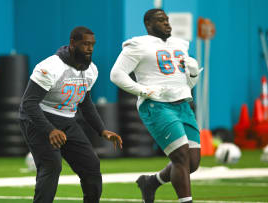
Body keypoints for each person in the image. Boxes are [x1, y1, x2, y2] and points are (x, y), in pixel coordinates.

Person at [19, 26, 123, 203]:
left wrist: (102, 130)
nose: (90, 48)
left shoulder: (91, 70)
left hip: (67, 121)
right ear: (73, 43)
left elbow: (85, 102)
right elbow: (28, 103)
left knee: (91, 165)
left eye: (92, 44)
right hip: (39, 119)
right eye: (85, 44)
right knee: (51, 167)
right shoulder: (50, 66)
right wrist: (50, 130)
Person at [110, 9, 202, 203]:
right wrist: (142, 90)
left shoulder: (180, 44)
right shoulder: (137, 45)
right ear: (148, 24)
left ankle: (151, 182)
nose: (167, 23)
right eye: (161, 20)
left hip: (183, 104)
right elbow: (116, 74)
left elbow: (187, 84)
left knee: (192, 163)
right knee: (181, 157)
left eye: (167, 20)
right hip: (157, 106)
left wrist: (193, 74)